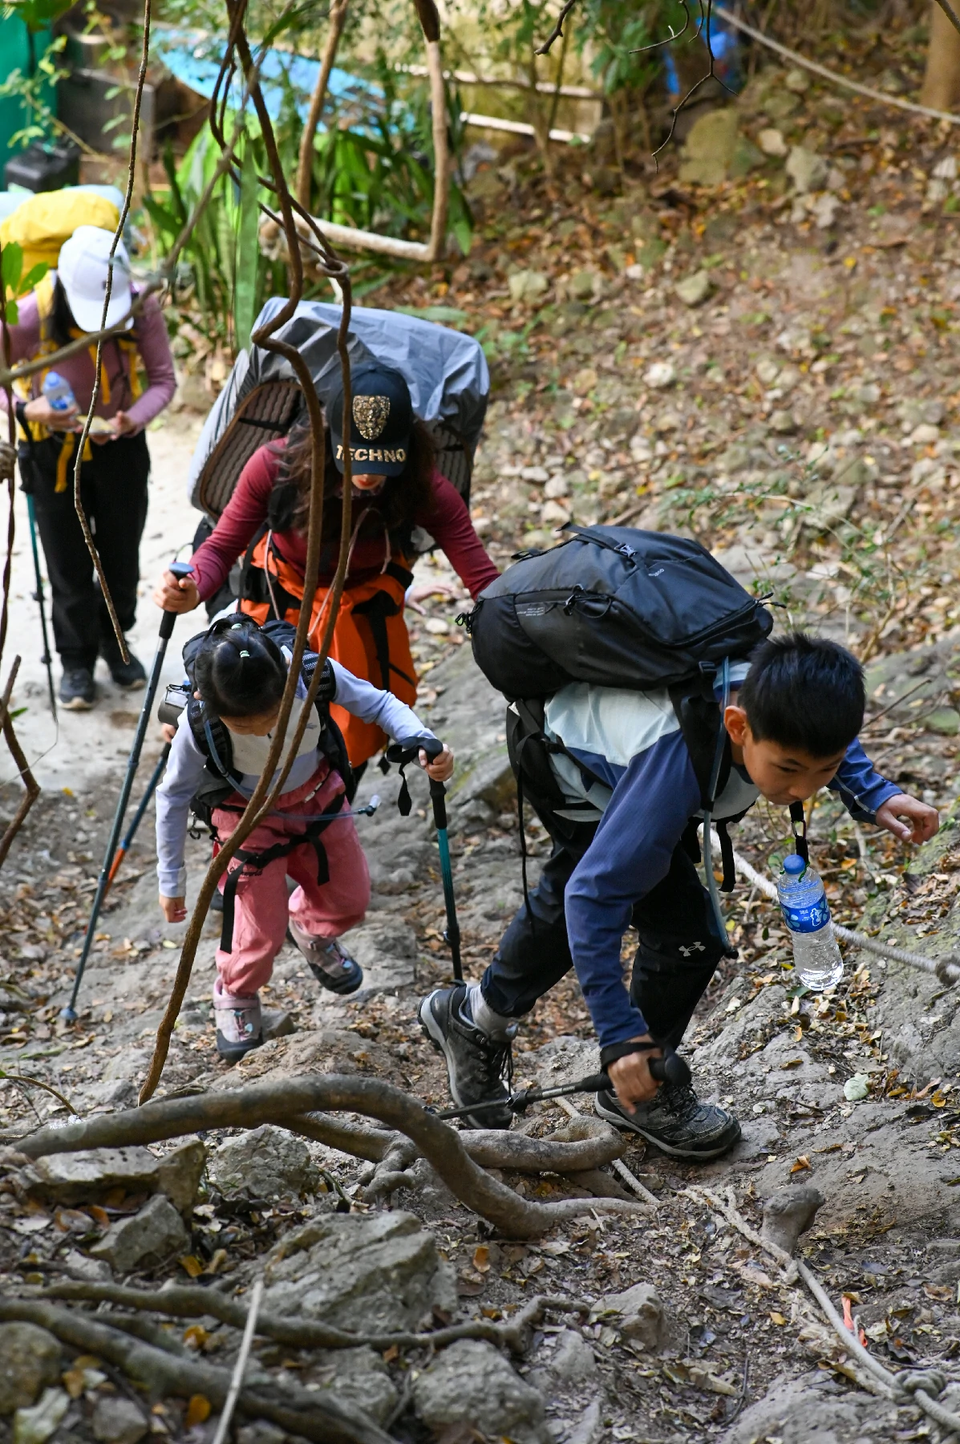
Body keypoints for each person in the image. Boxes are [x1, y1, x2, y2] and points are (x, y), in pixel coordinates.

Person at [419, 633, 939, 1156]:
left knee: (606, 872)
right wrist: (619, 1037)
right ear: (738, 725)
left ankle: (474, 1018)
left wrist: (874, 791)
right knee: (683, 930)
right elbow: (591, 900)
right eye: (787, 770)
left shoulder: (777, 692)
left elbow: (827, 737)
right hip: (565, 763)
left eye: (821, 771)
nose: (803, 789)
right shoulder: (674, 771)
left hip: (600, 738)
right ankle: (637, 1089)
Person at [153, 361, 498, 767]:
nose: (368, 475)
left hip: (360, 621)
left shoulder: (422, 486)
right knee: (253, 727)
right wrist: (192, 585)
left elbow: (481, 576)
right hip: (278, 612)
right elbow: (222, 546)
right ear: (328, 439)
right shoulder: (276, 467)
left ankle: (330, 814)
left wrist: (512, 621)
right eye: (355, 459)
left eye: (381, 462)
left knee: (343, 747)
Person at [156, 614, 453, 1062]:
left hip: (320, 800)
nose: (261, 731)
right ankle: (235, 991)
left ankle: (313, 932)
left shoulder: (310, 676)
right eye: (245, 726)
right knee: (258, 933)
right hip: (246, 820)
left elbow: (377, 703)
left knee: (349, 899)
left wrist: (420, 738)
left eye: (271, 717)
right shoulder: (199, 724)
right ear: (210, 706)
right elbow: (173, 795)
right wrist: (170, 879)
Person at [5, 225, 176, 709]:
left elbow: (163, 379)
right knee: (67, 563)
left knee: (121, 557)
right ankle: (75, 661)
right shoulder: (29, 316)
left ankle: (116, 645)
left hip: (120, 447)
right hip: (52, 452)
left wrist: (131, 419)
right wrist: (24, 411)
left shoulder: (140, 307)